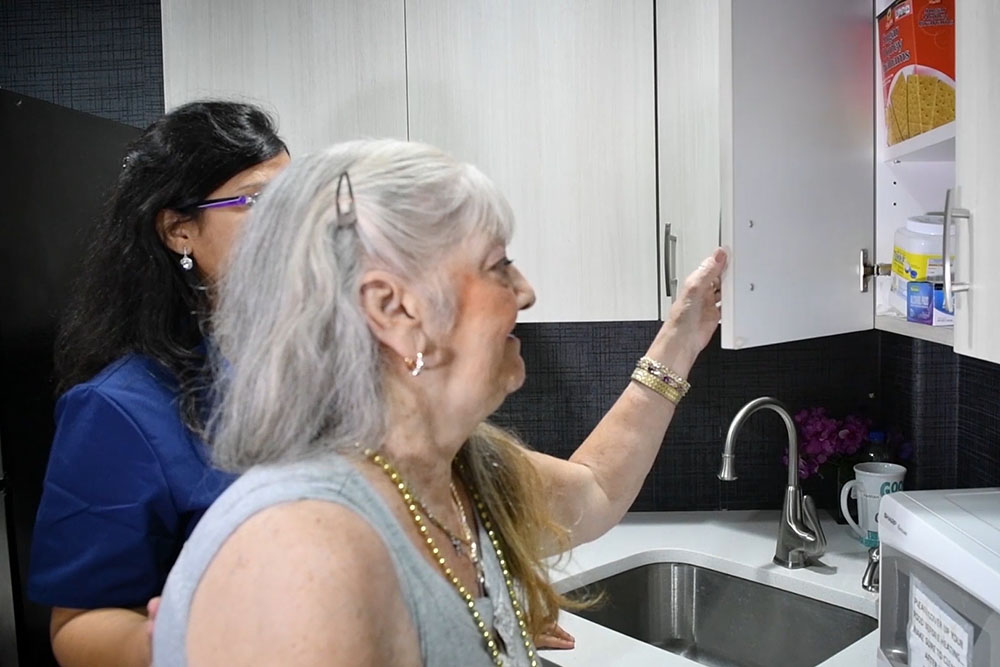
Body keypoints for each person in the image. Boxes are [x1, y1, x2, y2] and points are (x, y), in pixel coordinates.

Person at [153, 138, 726, 666]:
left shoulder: (451, 469)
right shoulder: (303, 556)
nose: (526, 291)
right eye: (498, 264)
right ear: (394, 310)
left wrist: (680, 338)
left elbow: (595, 491)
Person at [29, 101, 290, 667]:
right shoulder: (121, 409)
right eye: (260, 202)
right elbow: (78, 626)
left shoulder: (325, 365)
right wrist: (183, 639)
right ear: (179, 231)